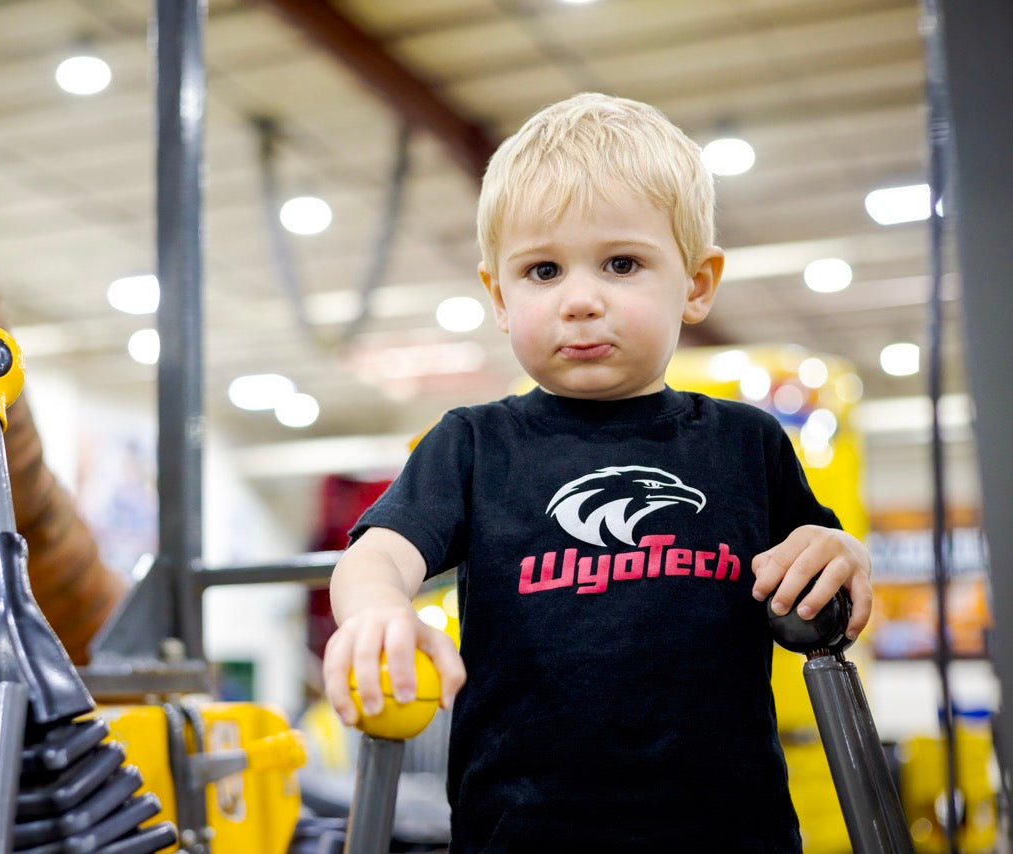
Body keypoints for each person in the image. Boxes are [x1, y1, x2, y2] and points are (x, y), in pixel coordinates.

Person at [321, 91, 873, 852]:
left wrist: (839, 553)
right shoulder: (474, 446)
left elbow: (824, 572)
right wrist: (376, 610)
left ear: (697, 283)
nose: (580, 300)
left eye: (622, 264)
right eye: (542, 271)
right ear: (499, 297)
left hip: (727, 832)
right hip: (522, 832)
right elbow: (376, 554)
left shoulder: (747, 446)